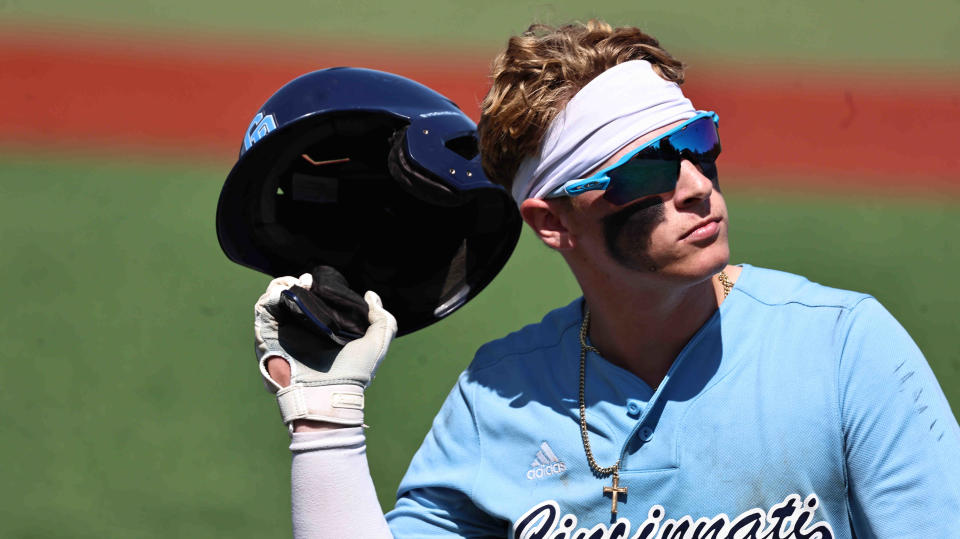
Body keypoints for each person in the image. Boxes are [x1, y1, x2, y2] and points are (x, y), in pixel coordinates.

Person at [255, 20, 960, 538]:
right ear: (553, 221)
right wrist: (325, 419)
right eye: (646, 169)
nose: (694, 185)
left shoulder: (840, 350)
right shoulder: (499, 399)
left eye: (698, 144)